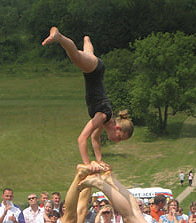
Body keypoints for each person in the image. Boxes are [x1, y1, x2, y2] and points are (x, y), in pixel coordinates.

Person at [42, 27, 134, 171]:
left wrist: (99, 160)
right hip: (93, 70)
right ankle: (59, 36)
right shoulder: (103, 115)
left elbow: (94, 138)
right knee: (75, 57)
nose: (116, 141)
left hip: (96, 69)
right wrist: (87, 165)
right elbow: (82, 139)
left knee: (88, 55)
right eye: (119, 137)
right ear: (117, 128)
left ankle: (87, 40)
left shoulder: (105, 121)